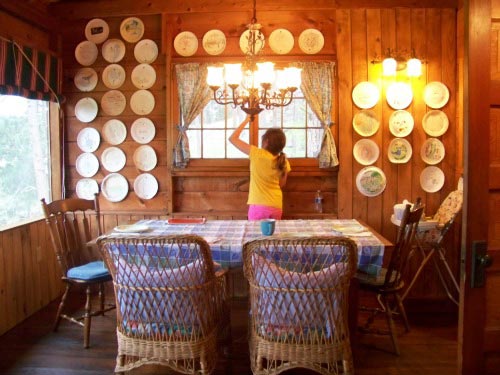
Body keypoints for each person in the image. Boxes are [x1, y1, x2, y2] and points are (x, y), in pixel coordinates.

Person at [229, 115, 291, 220]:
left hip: (258, 206)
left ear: (266, 142)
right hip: (276, 205)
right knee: (273, 236)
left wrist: (247, 119)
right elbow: (281, 184)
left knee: (255, 236)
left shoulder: (257, 154)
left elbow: (233, 138)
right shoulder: (284, 161)